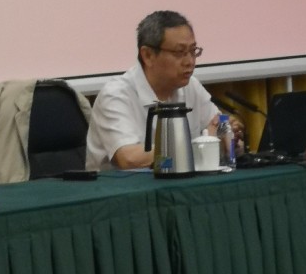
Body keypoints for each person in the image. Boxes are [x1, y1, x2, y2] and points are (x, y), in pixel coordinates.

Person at [85, 10, 220, 170]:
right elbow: (128, 158)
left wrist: (226, 135)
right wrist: (200, 145)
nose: (190, 61)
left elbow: (217, 125)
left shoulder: (191, 86)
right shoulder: (116, 95)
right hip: (124, 185)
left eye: (193, 51)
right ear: (148, 55)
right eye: (180, 52)